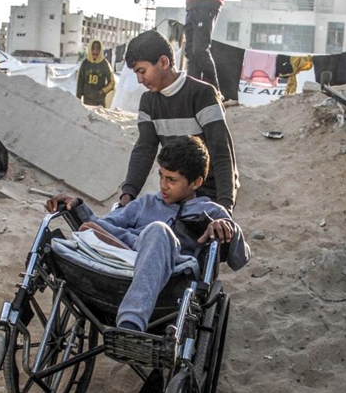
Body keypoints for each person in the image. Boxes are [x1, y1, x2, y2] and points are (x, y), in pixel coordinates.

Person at [46, 136, 250, 332]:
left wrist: (229, 228)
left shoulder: (211, 212)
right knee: (99, 229)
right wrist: (77, 206)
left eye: (172, 180)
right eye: (161, 175)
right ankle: (131, 308)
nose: (163, 185)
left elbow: (240, 258)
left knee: (158, 231)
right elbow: (102, 225)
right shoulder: (146, 203)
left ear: (196, 183)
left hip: (174, 277)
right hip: (124, 259)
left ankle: (130, 324)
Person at [119, 29, 239, 214]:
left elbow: (222, 152)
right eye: (136, 73)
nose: (139, 79)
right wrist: (128, 194)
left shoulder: (202, 94)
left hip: (209, 192)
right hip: (176, 191)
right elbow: (144, 149)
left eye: (142, 71)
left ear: (164, 62)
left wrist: (225, 208)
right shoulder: (148, 102)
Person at [184, 0, 223, 92]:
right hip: (192, 5)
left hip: (207, 2)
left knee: (200, 49)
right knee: (191, 53)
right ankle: (192, 94)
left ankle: (215, 92)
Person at [76, 39, 115, 107]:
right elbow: (80, 82)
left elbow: (112, 82)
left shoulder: (104, 64)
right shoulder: (85, 64)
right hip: (87, 102)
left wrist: (103, 91)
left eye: (98, 49)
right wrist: (78, 98)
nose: (95, 51)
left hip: (100, 102)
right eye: (93, 48)